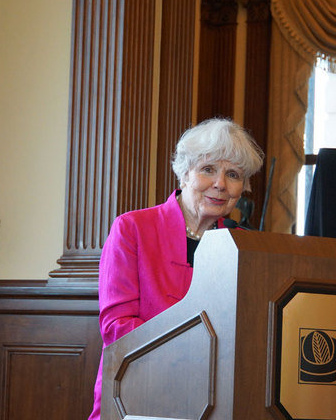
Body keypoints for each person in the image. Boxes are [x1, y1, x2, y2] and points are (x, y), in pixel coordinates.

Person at [88, 118, 264, 419]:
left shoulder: (244, 247)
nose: (220, 184)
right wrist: (194, 354)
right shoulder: (133, 229)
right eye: (208, 169)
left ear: (242, 189)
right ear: (183, 173)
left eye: (233, 175)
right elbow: (116, 327)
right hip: (138, 388)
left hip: (218, 398)